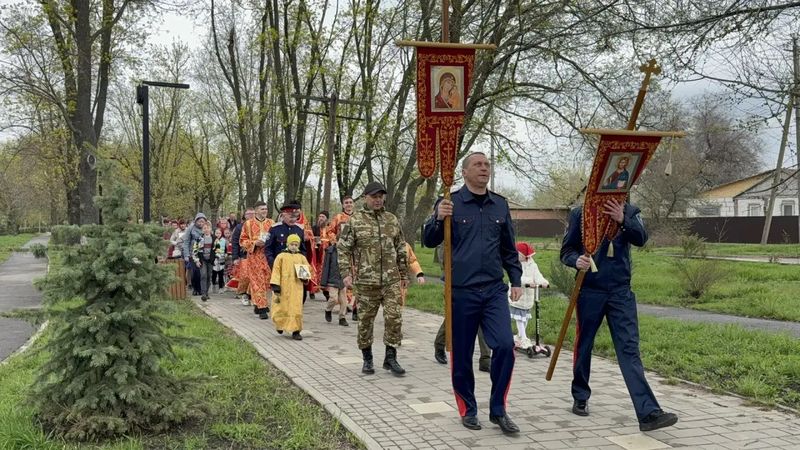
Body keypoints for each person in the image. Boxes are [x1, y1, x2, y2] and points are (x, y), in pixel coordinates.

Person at [422, 152, 522, 434]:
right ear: (464, 173)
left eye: (487, 164)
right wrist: (437, 218)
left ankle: (498, 410)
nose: (484, 168)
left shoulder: (500, 205)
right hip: (461, 292)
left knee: (504, 345)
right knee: (462, 355)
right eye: (478, 164)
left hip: (492, 290)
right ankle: (468, 409)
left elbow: (508, 248)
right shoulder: (449, 203)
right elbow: (428, 240)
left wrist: (516, 280)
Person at [561, 198, 678, 432]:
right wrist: (577, 260)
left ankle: (648, 413)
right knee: (584, 345)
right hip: (590, 291)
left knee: (629, 349)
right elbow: (566, 251)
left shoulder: (630, 211)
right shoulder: (580, 214)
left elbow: (641, 239)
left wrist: (623, 220)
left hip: (620, 293)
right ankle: (580, 395)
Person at [337, 182, 409, 376]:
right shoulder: (355, 221)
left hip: (391, 280)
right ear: (365, 198)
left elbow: (401, 246)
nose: (378, 200)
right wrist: (346, 273)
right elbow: (343, 248)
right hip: (366, 281)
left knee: (394, 317)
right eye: (374, 197)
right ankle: (367, 359)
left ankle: (390, 357)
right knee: (365, 321)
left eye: (380, 196)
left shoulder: (391, 219)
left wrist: (403, 273)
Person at [432, 243, 492, 370]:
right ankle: (440, 343)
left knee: (483, 315)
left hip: (480, 277)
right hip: (458, 279)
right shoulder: (450, 227)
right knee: (455, 315)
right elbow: (444, 251)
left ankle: (486, 358)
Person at [270, 234, 313, 340]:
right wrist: (276, 285)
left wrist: (305, 277)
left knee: (296, 309)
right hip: (283, 287)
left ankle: (296, 330)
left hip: (297, 288)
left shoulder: (301, 257)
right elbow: (276, 270)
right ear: (287, 244)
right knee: (281, 307)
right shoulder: (281, 257)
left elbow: (307, 269)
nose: (294, 246)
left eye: (296, 244)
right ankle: (280, 325)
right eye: (292, 244)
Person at [509, 242, 548, 347]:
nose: (517, 255)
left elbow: (537, 275)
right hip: (518, 296)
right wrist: (528, 281)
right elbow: (516, 277)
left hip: (528, 297)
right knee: (519, 318)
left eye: (519, 254)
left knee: (525, 318)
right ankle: (524, 338)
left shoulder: (533, 265)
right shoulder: (515, 264)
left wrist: (543, 282)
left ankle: (519, 336)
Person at [239, 202, 274, 319]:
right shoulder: (248, 224)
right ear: (256, 210)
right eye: (262, 209)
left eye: (266, 209)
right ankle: (262, 308)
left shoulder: (271, 223)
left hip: (268, 256)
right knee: (257, 282)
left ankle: (257, 303)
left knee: (267, 281)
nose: (265, 211)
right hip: (254, 257)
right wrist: (254, 243)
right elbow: (242, 240)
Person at [327, 196, 357, 320]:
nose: (349, 204)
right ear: (343, 205)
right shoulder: (338, 217)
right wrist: (336, 242)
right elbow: (330, 231)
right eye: (346, 203)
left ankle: (356, 308)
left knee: (358, 279)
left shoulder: (359, 217)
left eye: (351, 202)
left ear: (354, 204)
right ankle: (345, 306)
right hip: (343, 251)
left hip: (357, 251)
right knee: (346, 278)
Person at [231, 208, 254, 305]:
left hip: (256, 256)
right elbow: (235, 242)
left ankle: (252, 296)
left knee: (254, 277)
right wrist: (235, 257)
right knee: (245, 276)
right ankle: (244, 294)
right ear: (244, 215)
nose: (251, 215)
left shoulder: (257, 226)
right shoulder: (239, 227)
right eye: (248, 214)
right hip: (243, 255)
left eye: (253, 213)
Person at [182, 213, 209, 296]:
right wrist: (186, 254)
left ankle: (201, 289)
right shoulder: (191, 228)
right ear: (196, 221)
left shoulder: (206, 228)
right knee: (195, 272)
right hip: (193, 253)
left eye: (203, 222)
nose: (201, 223)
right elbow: (186, 242)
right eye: (199, 221)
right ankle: (195, 288)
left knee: (203, 273)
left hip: (204, 253)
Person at [193, 223, 215, 301]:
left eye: (208, 228)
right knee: (203, 275)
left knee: (209, 276)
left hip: (210, 260)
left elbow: (218, 249)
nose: (206, 230)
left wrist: (217, 258)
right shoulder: (199, 239)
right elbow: (195, 250)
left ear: (210, 229)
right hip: (202, 260)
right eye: (204, 228)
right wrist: (196, 260)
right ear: (202, 230)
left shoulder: (214, 238)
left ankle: (207, 292)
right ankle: (203, 294)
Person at [211, 228, 227, 294]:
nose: (218, 234)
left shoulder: (224, 240)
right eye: (216, 233)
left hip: (222, 258)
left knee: (221, 273)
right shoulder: (213, 240)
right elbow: (212, 250)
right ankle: (213, 285)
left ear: (221, 233)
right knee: (214, 273)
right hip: (215, 259)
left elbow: (225, 249)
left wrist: (226, 254)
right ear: (214, 233)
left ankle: (221, 287)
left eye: (219, 233)